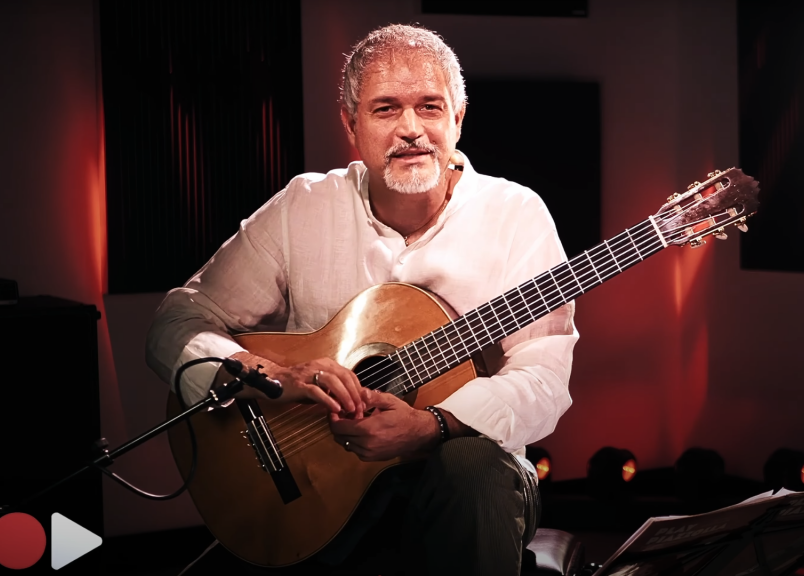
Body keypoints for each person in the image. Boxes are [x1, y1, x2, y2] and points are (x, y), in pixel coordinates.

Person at [146, 24, 578, 576]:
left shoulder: (516, 215)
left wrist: (434, 425)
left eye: (429, 106)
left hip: (471, 482)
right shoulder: (303, 206)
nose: (411, 129)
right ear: (351, 124)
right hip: (318, 474)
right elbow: (175, 323)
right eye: (385, 109)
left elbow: (543, 379)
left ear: (458, 117)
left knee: (472, 463)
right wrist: (273, 377)